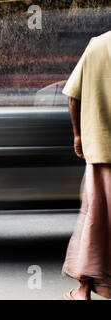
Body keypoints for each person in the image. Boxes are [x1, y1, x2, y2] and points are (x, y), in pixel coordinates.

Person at [62, 30, 111, 300]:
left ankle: (83, 289)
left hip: (100, 150)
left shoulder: (97, 46)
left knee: (94, 219)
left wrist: (78, 134)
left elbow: (73, 96)